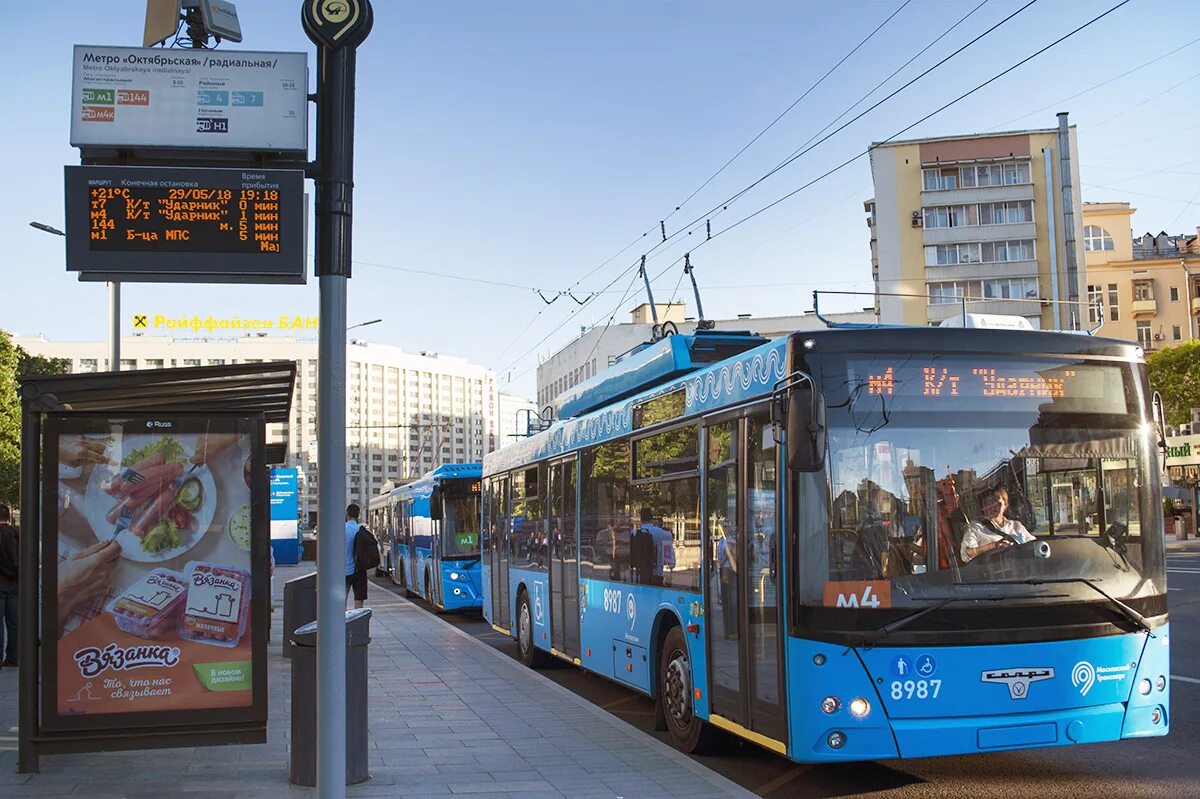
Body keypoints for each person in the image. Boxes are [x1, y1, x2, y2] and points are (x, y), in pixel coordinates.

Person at [960, 486, 1034, 562]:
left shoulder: (1016, 525)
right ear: (983, 508)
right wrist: (994, 545)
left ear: (1005, 504)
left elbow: (1033, 545)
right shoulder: (975, 527)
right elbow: (967, 554)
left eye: (995, 501)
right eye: (987, 503)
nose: (992, 506)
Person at [0, 505, 19, 667]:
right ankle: (13, 656)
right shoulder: (16, 532)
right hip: (16, 584)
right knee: (14, 622)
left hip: (1, 582)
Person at [345, 503, 367, 609]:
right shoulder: (362, 530)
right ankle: (357, 621)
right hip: (360, 571)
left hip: (344, 571)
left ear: (347, 515)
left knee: (341, 600)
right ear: (358, 515)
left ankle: (341, 623)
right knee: (359, 602)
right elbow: (376, 548)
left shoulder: (341, 529)